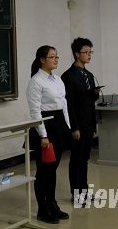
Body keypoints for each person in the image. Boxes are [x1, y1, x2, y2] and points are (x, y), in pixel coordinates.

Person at [26, 45, 71, 224]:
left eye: (56, 56)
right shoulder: (36, 81)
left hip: (58, 125)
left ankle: (52, 205)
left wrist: (67, 127)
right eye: (52, 57)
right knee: (44, 171)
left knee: (52, 169)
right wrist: (43, 135)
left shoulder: (57, 79)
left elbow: (63, 104)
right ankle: (42, 209)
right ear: (42, 60)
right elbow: (35, 111)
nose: (56, 59)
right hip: (45, 127)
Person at [61, 37, 99, 203]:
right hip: (78, 125)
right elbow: (69, 104)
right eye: (86, 52)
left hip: (89, 123)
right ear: (77, 54)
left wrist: (94, 94)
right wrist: (74, 127)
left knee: (85, 159)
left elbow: (87, 100)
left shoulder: (89, 75)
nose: (89, 55)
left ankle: (84, 191)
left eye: (91, 52)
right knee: (76, 159)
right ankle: (75, 194)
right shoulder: (68, 76)